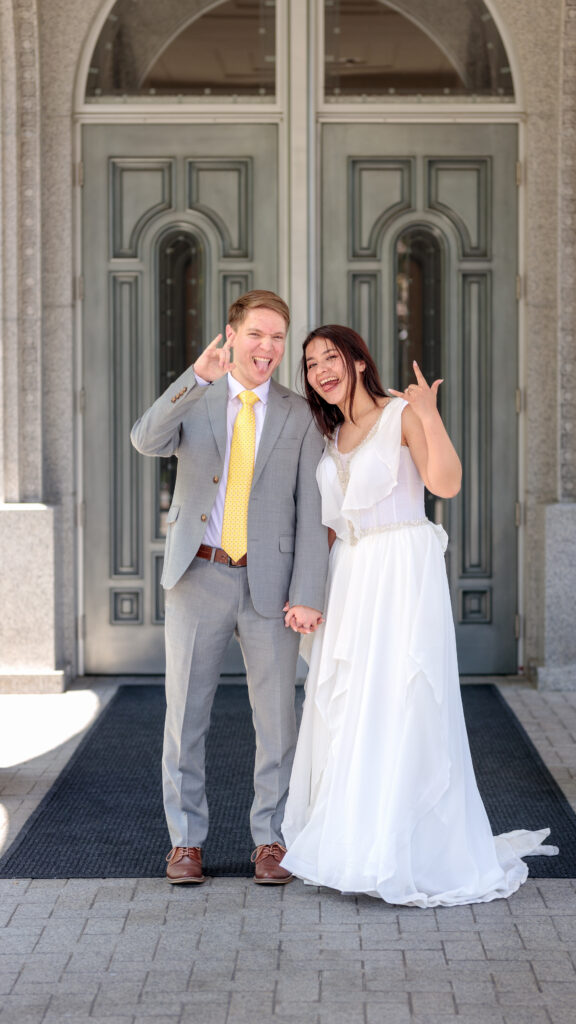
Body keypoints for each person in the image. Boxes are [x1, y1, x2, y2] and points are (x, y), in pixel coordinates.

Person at [281, 325, 558, 907]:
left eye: (332, 357)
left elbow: (445, 483)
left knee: (405, 697)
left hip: (402, 567)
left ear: (358, 361)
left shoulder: (399, 413)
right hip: (351, 573)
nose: (321, 370)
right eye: (310, 364)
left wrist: (429, 414)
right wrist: (310, 592)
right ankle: (357, 843)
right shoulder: (328, 435)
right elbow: (329, 524)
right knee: (353, 702)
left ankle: (409, 848)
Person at [131, 291, 328, 886]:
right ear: (232, 335)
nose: (267, 347)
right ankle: (185, 843)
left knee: (277, 721)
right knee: (185, 716)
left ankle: (270, 839)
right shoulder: (200, 396)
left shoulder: (299, 413)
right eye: (256, 335)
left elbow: (311, 508)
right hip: (199, 575)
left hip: (271, 585)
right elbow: (146, 440)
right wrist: (193, 377)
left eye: (277, 337)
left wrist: (309, 590)